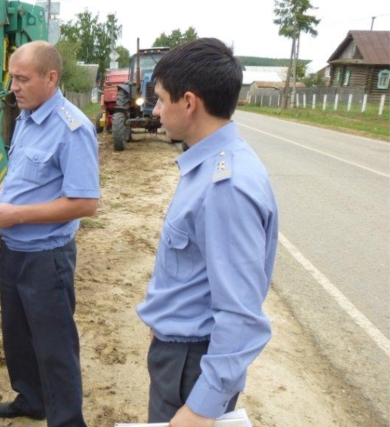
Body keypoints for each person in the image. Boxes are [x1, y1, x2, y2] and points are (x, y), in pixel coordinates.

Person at [136, 38, 279, 426]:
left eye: (161, 99)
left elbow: (241, 315)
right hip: (180, 351)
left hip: (192, 365)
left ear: (189, 102)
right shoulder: (209, 163)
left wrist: (201, 408)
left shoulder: (226, 187)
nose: (156, 110)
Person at [0, 40, 100, 427]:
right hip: (14, 249)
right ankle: (32, 399)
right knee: (18, 335)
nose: (13, 86)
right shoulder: (28, 117)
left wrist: (18, 215)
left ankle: (66, 420)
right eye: (12, 77)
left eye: (22, 78)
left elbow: (84, 203)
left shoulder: (73, 128)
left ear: (51, 78)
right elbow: (18, 174)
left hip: (47, 256)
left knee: (55, 346)